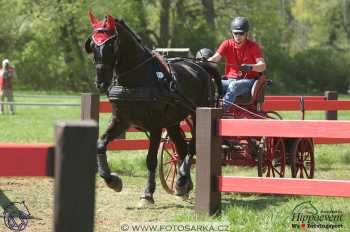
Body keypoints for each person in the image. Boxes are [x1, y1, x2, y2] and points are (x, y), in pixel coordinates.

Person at [208, 16, 266, 112]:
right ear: (232, 33)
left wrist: (251, 67)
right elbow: (215, 58)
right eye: (235, 33)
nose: (238, 36)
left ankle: (220, 111)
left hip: (248, 82)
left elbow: (262, 66)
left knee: (234, 86)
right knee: (211, 83)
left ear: (246, 34)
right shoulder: (226, 44)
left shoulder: (253, 46)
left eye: (241, 34)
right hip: (229, 80)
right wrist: (204, 62)